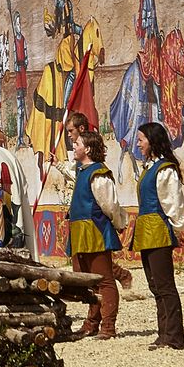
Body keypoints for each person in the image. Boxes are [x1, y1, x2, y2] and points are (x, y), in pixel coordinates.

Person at [64, 129, 129, 339]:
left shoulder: (99, 174)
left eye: (78, 143)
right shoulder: (83, 171)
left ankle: (108, 326)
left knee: (104, 279)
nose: (74, 146)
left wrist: (119, 223)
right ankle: (91, 322)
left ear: (88, 149)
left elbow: (110, 204)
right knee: (88, 281)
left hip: (95, 230)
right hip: (80, 230)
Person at [130, 121, 184, 350]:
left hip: (159, 230)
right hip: (146, 229)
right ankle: (163, 334)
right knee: (154, 285)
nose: (139, 143)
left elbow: (173, 202)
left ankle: (174, 337)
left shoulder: (165, 170)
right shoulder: (149, 167)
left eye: (141, 139)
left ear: (152, 141)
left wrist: (178, 228)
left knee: (165, 285)